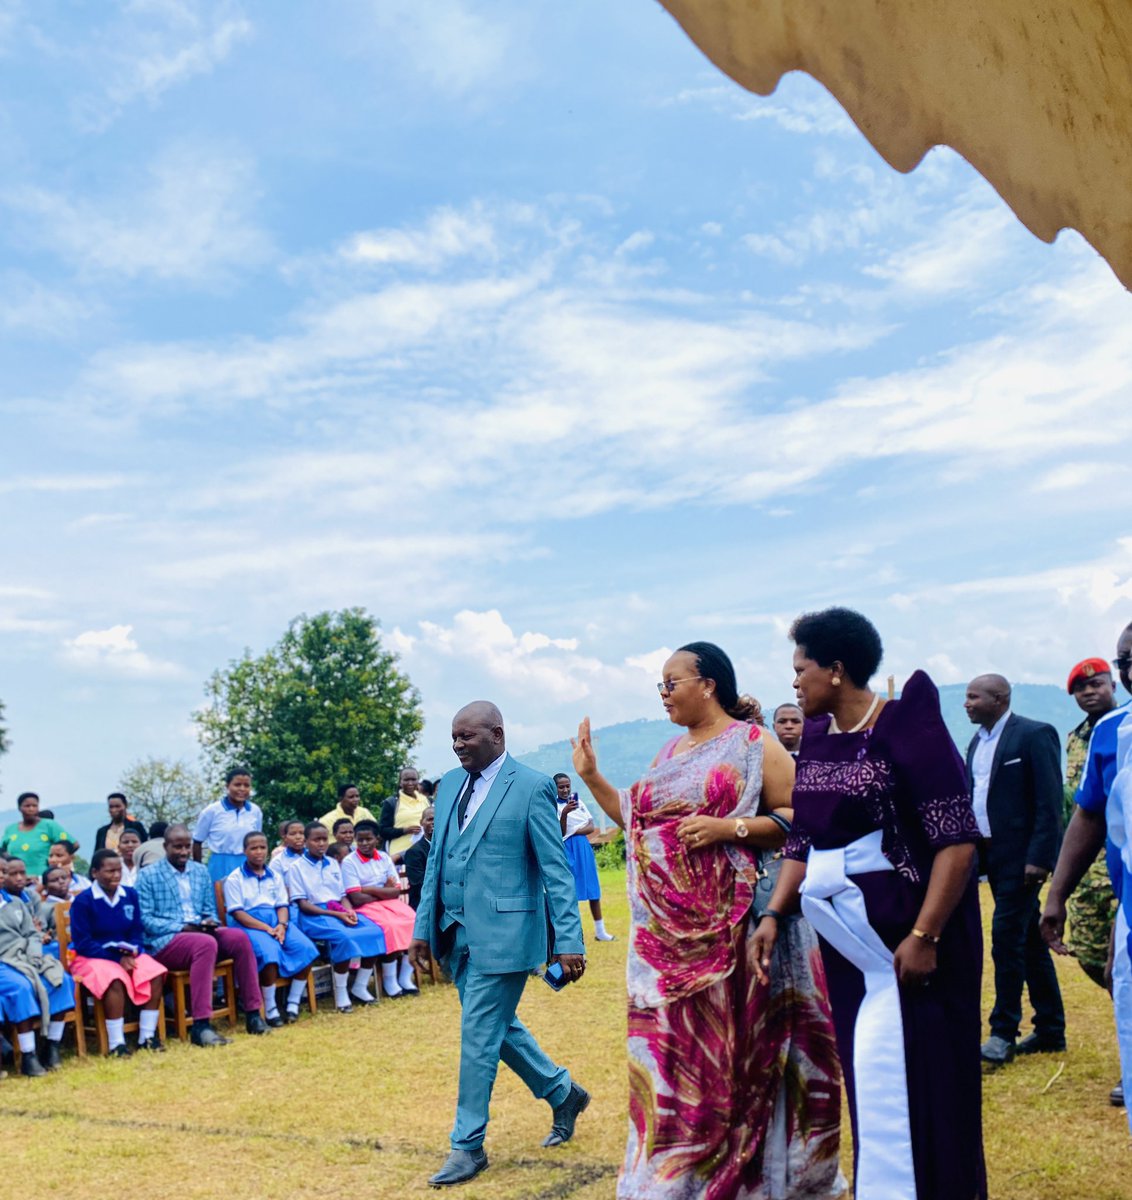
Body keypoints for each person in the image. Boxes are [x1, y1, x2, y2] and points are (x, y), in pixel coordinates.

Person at [574, 644, 843, 1200]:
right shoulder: (670, 751)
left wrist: (730, 829)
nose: (664, 693)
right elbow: (637, 821)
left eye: (672, 682)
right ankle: (684, 1174)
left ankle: (754, 1176)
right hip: (673, 945)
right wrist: (595, 778)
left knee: (741, 1057)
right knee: (679, 1061)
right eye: (661, 685)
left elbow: (801, 819)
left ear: (709, 684)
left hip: (743, 931)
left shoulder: (754, 743)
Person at [753, 609, 986, 1200]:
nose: (796, 683)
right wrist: (774, 915)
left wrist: (925, 935)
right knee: (872, 1070)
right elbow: (804, 840)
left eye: (801, 669)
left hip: (914, 944)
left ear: (836, 670)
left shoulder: (909, 728)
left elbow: (956, 842)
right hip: (852, 951)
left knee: (929, 1075)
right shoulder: (821, 743)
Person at [410, 701, 589, 1189]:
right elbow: (436, 866)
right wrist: (422, 929)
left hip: (507, 935)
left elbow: (556, 869)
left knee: (478, 1037)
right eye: (453, 738)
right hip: (455, 933)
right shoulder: (449, 786)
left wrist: (569, 940)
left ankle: (467, 1147)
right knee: (495, 1028)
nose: (458, 745)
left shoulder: (532, 786)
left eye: (467, 736)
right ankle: (562, 1092)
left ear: (497, 733)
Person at [1042, 620, 1132, 1110]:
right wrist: (1057, 891)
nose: (1091, 692)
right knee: (1108, 962)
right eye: (1127, 661)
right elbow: (1085, 810)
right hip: (1112, 885)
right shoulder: (1103, 736)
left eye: (1099, 682)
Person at [963, 674, 1064, 1064]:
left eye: (974, 697)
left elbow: (1049, 801)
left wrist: (1039, 858)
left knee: (1006, 940)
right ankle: (1051, 1028)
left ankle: (1003, 1033)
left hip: (1023, 859)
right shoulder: (977, 742)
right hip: (991, 854)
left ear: (1000, 698)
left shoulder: (1034, 735)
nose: (967, 703)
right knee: (1030, 942)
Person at [134, 824, 267, 1045]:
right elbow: (145, 920)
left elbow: (209, 909)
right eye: (178, 847)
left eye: (187, 846)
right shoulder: (148, 876)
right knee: (204, 944)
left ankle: (254, 1014)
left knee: (239, 938)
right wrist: (182, 927)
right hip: (164, 940)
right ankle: (201, 1025)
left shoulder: (199, 871)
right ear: (165, 846)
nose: (184, 852)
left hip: (199, 932)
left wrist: (209, 921)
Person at [68, 848, 167, 1055]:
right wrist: (115, 957)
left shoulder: (130, 895)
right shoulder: (83, 902)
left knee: (155, 971)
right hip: (92, 956)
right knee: (113, 978)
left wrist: (134, 951)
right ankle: (116, 1043)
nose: (115, 876)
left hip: (126, 955)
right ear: (94, 873)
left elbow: (136, 930)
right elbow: (83, 942)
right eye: (109, 871)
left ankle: (146, 1036)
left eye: (118, 871)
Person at [1062, 657, 1120, 988]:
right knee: (1086, 949)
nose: (1089, 692)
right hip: (1085, 868)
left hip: (1117, 863)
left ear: (1112, 686)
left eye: (1096, 684)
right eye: (1081, 688)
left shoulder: (1122, 729)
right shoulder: (1076, 738)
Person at [284, 821, 385, 1013]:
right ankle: (341, 993)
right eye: (316, 840)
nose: (321, 844)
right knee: (344, 937)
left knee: (374, 931)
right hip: (314, 915)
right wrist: (338, 914)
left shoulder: (332, 863)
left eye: (324, 839)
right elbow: (303, 905)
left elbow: (341, 896)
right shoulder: (297, 868)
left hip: (338, 910)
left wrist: (349, 911)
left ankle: (360, 986)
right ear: (306, 842)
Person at [224, 832, 318, 1026]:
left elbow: (282, 905)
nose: (259, 852)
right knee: (270, 953)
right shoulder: (235, 878)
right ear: (245, 851)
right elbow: (238, 913)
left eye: (262, 847)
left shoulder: (274, 876)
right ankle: (270, 1006)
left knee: (306, 948)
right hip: (249, 925)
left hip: (277, 921)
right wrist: (267, 928)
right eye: (253, 848)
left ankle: (293, 1002)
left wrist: (282, 926)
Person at [0, 857, 75, 1075]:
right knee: (21, 986)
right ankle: (28, 1054)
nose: (2, 876)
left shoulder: (14, 903)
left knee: (60, 979)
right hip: (4, 961)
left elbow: (32, 934)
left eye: (3, 871)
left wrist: (33, 954)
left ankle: (52, 1045)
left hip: (26, 957)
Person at [343, 819, 419, 997]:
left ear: (376, 839)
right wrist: (383, 889)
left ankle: (404, 978)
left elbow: (395, 892)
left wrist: (367, 888)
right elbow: (356, 897)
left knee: (413, 920)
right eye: (359, 840)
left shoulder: (384, 858)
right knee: (390, 927)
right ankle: (389, 980)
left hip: (389, 903)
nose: (363, 844)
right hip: (365, 907)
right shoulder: (349, 862)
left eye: (368, 839)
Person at [553, 773, 615, 943]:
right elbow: (560, 833)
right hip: (567, 850)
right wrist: (565, 814)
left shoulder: (578, 803)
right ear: (555, 788)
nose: (565, 790)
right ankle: (575, 934)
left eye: (568, 786)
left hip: (583, 847)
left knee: (593, 888)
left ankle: (600, 931)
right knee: (571, 892)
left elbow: (590, 826)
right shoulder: (553, 807)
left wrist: (575, 831)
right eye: (561, 787)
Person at [192, 767, 263, 883]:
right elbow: (197, 842)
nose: (242, 789)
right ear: (227, 786)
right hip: (220, 864)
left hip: (247, 864)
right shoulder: (212, 811)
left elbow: (257, 841)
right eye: (237, 785)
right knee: (219, 898)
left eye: (246, 785)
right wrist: (198, 872)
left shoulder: (255, 811)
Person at [3, 793, 77, 880]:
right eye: (27, 806)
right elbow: (2, 850)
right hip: (17, 880)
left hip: (44, 879)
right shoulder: (11, 829)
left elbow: (73, 845)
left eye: (34, 806)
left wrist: (56, 862)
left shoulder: (49, 826)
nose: (31, 809)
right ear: (19, 808)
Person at [381, 767, 429, 858]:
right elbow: (383, 831)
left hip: (424, 853)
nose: (410, 783)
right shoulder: (391, 802)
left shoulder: (426, 800)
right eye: (406, 780)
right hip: (399, 855)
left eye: (413, 779)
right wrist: (404, 830)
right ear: (400, 782)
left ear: (418, 781)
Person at [403, 806, 434, 910]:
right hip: (423, 905)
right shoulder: (414, 852)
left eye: (436, 819)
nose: (433, 822)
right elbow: (419, 885)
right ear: (421, 822)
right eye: (429, 819)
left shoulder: (446, 848)